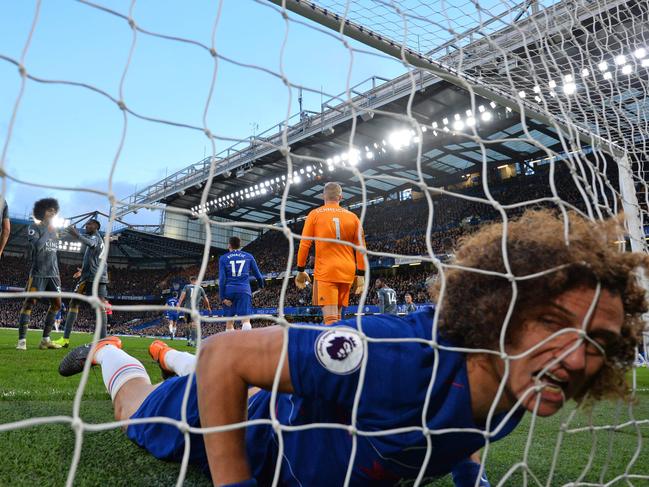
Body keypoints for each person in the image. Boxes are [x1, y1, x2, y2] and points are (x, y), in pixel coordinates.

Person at [58, 210, 648, 486]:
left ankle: (169, 357)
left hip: (291, 389)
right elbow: (226, 358)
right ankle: (117, 353)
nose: (574, 359)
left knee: (249, 360)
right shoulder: (395, 360)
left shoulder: (524, 380)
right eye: (552, 323)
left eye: (597, 343)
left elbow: (468, 427)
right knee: (136, 416)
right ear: (500, 313)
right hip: (256, 427)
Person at [295, 182, 367, 325]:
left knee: (331, 321)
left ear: (323, 196)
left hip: (326, 271)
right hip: (347, 271)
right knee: (338, 318)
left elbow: (304, 244)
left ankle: (332, 346)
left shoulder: (315, 214)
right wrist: (361, 274)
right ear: (341, 197)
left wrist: (300, 270)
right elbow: (361, 248)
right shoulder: (353, 217)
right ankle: (342, 346)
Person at [16, 198, 63, 350]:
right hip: (38, 274)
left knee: (57, 305)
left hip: (53, 275)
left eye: (54, 211)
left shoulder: (55, 231)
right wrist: (48, 232)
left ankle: (45, 339)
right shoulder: (33, 228)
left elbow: (54, 253)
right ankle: (22, 341)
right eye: (50, 210)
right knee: (29, 303)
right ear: (42, 212)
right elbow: (37, 246)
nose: (53, 213)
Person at [53, 218, 108, 347]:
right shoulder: (95, 239)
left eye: (89, 224)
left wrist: (76, 234)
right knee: (73, 303)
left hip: (96, 279)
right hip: (87, 277)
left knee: (99, 308)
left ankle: (104, 342)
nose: (87, 226)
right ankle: (65, 339)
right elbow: (95, 260)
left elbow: (90, 243)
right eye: (87, 224)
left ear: (96, 226)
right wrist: (83, 271)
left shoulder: (96, 237)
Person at [219, 236, 265, 331]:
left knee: (229, 321)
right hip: (244, 290)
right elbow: (259, 276)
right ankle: (246, 344)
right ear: (240, 245)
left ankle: (230, 345)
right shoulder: (249, 256)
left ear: (229, 245)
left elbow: (222, 279)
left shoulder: (223, 258)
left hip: (229, 290)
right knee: (246, 320)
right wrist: (261, 285)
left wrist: (222, 297)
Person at [178, 276, 211, 347]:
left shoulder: (186, 286)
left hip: (186, 308)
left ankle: (188, 340)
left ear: (191, 280)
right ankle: (193, 341)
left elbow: (182, 297)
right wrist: (208, 308)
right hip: (195, 310)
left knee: (187, 325)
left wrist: (178, 305)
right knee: (194, 325)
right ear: (197, 281)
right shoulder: (200, 288)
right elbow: (206, 299)